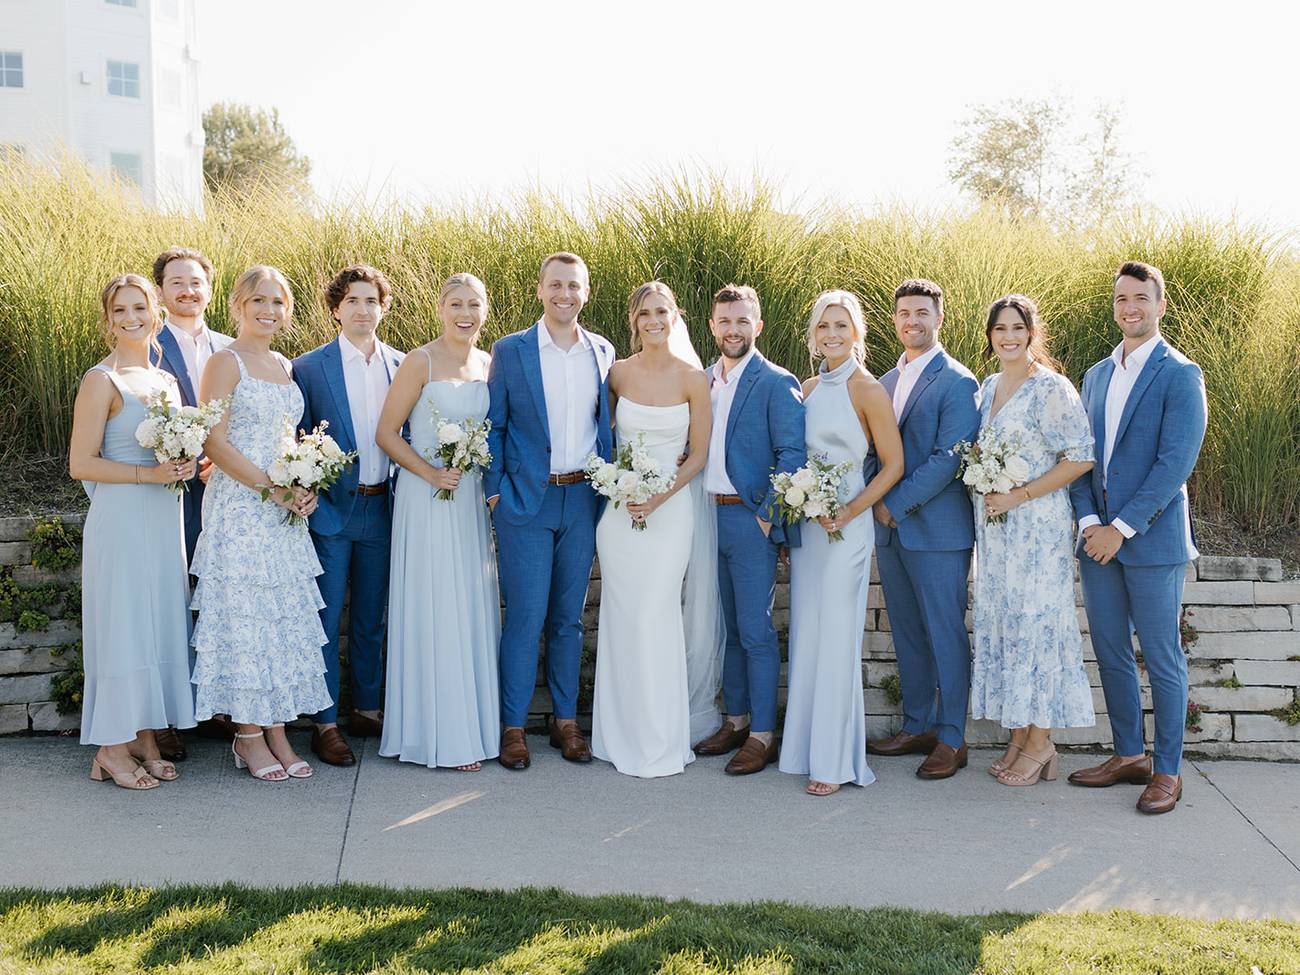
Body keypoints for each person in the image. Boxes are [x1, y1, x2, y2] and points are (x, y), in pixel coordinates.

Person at [1068, 261, 1207, 815]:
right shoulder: (1096, 375)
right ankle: (1129, 754)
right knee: (1109, 650)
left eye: (1141, 298)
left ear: (1160, 305)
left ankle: (1167, 770)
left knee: (1162, 655)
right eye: (1122, 298)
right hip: (1097, 541)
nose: (1130, 307)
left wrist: (1121, 529)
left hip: (1149, 542)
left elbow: (1175, 463)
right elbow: (1079, 457)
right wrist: (1087, 525)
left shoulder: (1180, 373)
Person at [191, 265, 331, 782]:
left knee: (279, 618)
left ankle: (278, 731)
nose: (269, 311)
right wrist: (272, 489)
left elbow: (286, 438)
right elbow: (215, 441)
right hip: (242, 508)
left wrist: (304, 481)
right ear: (238, 305)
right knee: (246, 618)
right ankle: (248, 737)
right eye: (258, 301)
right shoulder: (224, 362)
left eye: (278, 302)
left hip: (283, 512)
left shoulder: (283, 363)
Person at [485, 252, 615, 770]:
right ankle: (512, 727)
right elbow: (493, 425)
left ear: (586, 292)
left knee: (568, 620)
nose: (565, 294)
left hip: (582, 497)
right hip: (525, 501)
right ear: (540, 290)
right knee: (524, 617)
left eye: (575, 286)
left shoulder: (602, 352)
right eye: (556, 285)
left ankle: (566, 721)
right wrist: (495, 492)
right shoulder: (512, 350)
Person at [68, 273, 196, 790]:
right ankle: (110, 749)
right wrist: (148, 473)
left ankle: (145, 736)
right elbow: (81, 462)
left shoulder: (165, 382)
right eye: (119, 311)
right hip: (122, 519)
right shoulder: (101, 380)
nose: (131, 319)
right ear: (107, 320)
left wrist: (184, 461)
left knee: (156, 623)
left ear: (156, 313)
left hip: (164, 518)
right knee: (123, 627)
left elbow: (171, 447)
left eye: (139, 308)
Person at [967, 295, 1096, 786]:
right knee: (1006, 626)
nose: (1008, 337)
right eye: (999, 329)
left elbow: (1081, 457)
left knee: (1037, 628)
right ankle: (1020, 735)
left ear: (1031, 332)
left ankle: (1042, 743)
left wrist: (1018, 494)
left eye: (1017, 328)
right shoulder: (989, 386)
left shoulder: (1051, 388)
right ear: (990, 336)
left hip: (1036, 531)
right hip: (996, 533)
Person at [779, 291, 903, 795]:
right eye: (824, 326)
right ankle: (805, 749)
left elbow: (893, 465)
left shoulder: (868, 390)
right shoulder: (807, 387)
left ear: (857, 333)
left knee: (836, 638)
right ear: (814, 334)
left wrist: (850, 510)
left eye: (841, 325)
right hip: (811, 525)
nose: (832, 334)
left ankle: (834, 762)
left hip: (848, 528)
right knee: (808, 633)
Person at [376, 272, 500, 771]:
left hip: (469, 497)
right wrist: (430, 473)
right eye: (455, 303)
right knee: (434, 601)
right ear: (440, 308)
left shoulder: (490, 363)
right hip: (427, 495)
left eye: (473, 304)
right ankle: (436, 734)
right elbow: (387, 433)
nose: (464, 313)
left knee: (467, 601)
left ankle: (472, 725)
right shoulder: (419, 361)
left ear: (484, 311)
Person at [590, 282, 711, 777]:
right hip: (620, 514)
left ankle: (660, 738)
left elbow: (699, 453)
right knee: (621, 617)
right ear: (633, 319)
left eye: (662, 310)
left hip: (671, 508)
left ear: (675, 314)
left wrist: (659, 495)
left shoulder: (693, 378)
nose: (654, 320)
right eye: (645, 313)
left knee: (655, 615)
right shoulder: (616, 374)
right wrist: (620, 488)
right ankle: (616, 735)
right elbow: (600, 436)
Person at [866, 279, 980, 780]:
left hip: (936, 529)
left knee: (945, 633)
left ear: (939, 319)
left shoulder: (958, 382)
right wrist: (873, 501)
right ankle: (918, 723)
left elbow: (949, 458)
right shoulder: (884, 382)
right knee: (909, 632)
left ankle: (952, 737)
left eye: (922, 313)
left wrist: (895, 504)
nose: (913, 321)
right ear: (894, 320)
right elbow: (871, 451)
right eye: (904, 313)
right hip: (889, 529)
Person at [293, 265, 404, 767]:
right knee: (325, 614)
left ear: (383, 308)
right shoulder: (309, 368)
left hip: (383, 505)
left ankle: (367, 707)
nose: (363, 309)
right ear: (336, 308)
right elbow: (292, 437)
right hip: (332, 509)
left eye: (371, 300)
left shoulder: (402, 364)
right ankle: (325, 721)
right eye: (352, 301)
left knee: (370, 618)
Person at [692, 284, 806, 776]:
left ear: (757, 326)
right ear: (713, 326)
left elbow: (793, 455)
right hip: (704, 516)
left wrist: (767, 516)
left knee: (756, 630)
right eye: (725, 321)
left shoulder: (775, 382)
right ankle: (734, 720)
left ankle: (763, 734)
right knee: (729, 629)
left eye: (743, 321)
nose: (733, 329)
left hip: (748, 517)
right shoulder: (701, 381)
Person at [150, 245, 235, 759]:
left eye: (196, 281)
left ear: (209, 287)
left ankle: (217, 704)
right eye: (176, 282)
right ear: (161, 291)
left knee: (221, 595)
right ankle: (164, 716)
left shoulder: (231, 346)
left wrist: (223, 459)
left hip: (230, 496)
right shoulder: (148, 345)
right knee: (170, 596)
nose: (187, 290)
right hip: (170, 490)